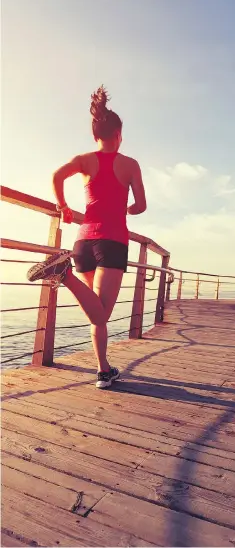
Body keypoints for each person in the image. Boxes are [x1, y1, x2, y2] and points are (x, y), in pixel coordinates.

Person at [27, 85, 147, 389]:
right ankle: (63, 274)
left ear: (96, 135)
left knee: (96, 310)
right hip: (112, 241)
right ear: (119, 134)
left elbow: (56, 176)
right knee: (102, 313)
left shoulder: (84, 160)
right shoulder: (130, 165)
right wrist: (128, 210)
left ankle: (104, 370)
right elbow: (142, 206)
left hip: (84, 241)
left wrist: (63, 206)